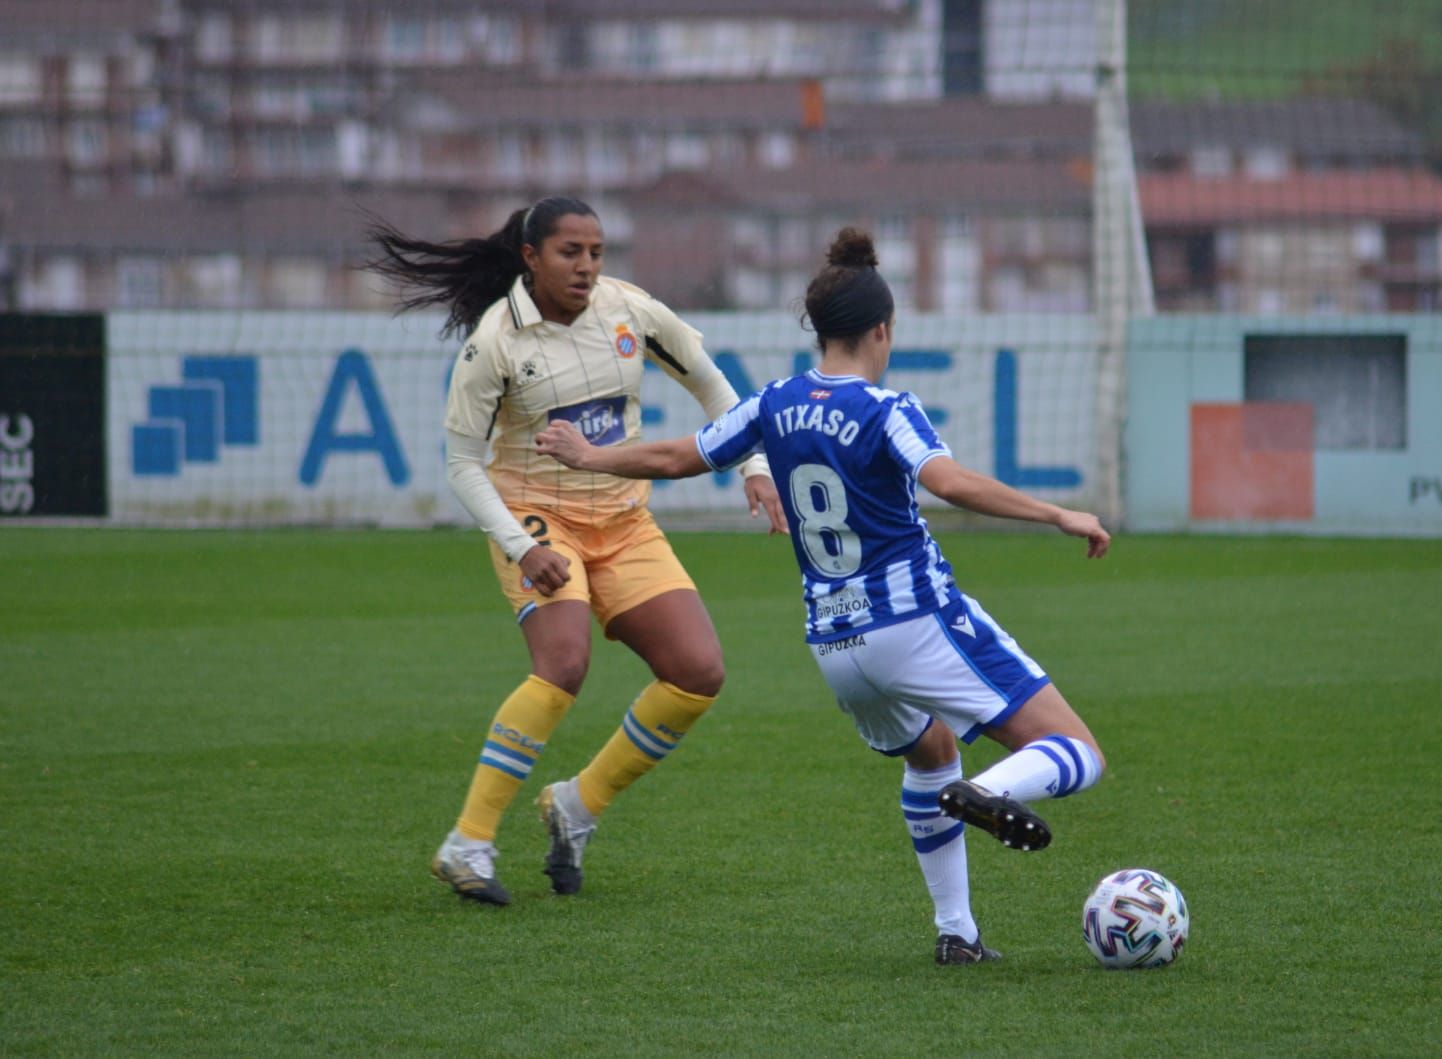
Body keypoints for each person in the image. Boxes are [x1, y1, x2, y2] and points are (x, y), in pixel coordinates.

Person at [534, 227, 1111, 965]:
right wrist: (1058, 512)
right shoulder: (886, 407)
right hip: (914, 620)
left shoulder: (774, 403)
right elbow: (951, 482)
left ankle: (957, 933)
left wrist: (592, 455)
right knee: (1077, 750)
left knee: (932, 754)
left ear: (821, 330)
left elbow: (683, 455)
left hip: (838, 646)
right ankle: (993, 790)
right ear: (882, 329)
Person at [367, 196, 787, 905]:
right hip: (534, 516)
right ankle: (468, 842)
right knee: (564, 661)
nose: (587, 267)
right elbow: (464, 465)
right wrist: (518, 546)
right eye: (571, 252)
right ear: (531, 258)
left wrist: (753, 468)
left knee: (698, 671)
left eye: (595, 252)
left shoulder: (631, 311)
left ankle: (576, 805)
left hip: (622, 518)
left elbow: (715, 387)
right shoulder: (495, 341)